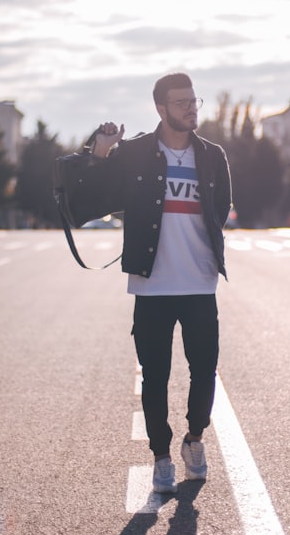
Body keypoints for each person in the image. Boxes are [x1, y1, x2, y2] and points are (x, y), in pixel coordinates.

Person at [88, 73, 232, 494]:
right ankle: (162, 456)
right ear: (161, 108)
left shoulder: (212, 156)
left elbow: (219, 210)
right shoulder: (134, 154)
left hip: (200, 283)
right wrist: (100, 151)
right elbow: (94, 194)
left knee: (205, 370)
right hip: (152, 286)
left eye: (194, 101)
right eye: (181, 102)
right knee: (156, 376)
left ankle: (195, 439)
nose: (191, 108)